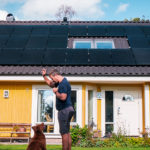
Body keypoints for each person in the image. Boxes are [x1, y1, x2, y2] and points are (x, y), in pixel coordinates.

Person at [41, 68, 74, 150]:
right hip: (69, 109)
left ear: (55, 75)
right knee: (67, 132)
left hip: (64, 110)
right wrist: (44, 76)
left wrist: (56, 92)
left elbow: (63, 97)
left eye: (52, 78)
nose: (52, 80)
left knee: (64, 133)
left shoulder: (62, 84)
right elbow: (50, 84)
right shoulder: (60, 83)